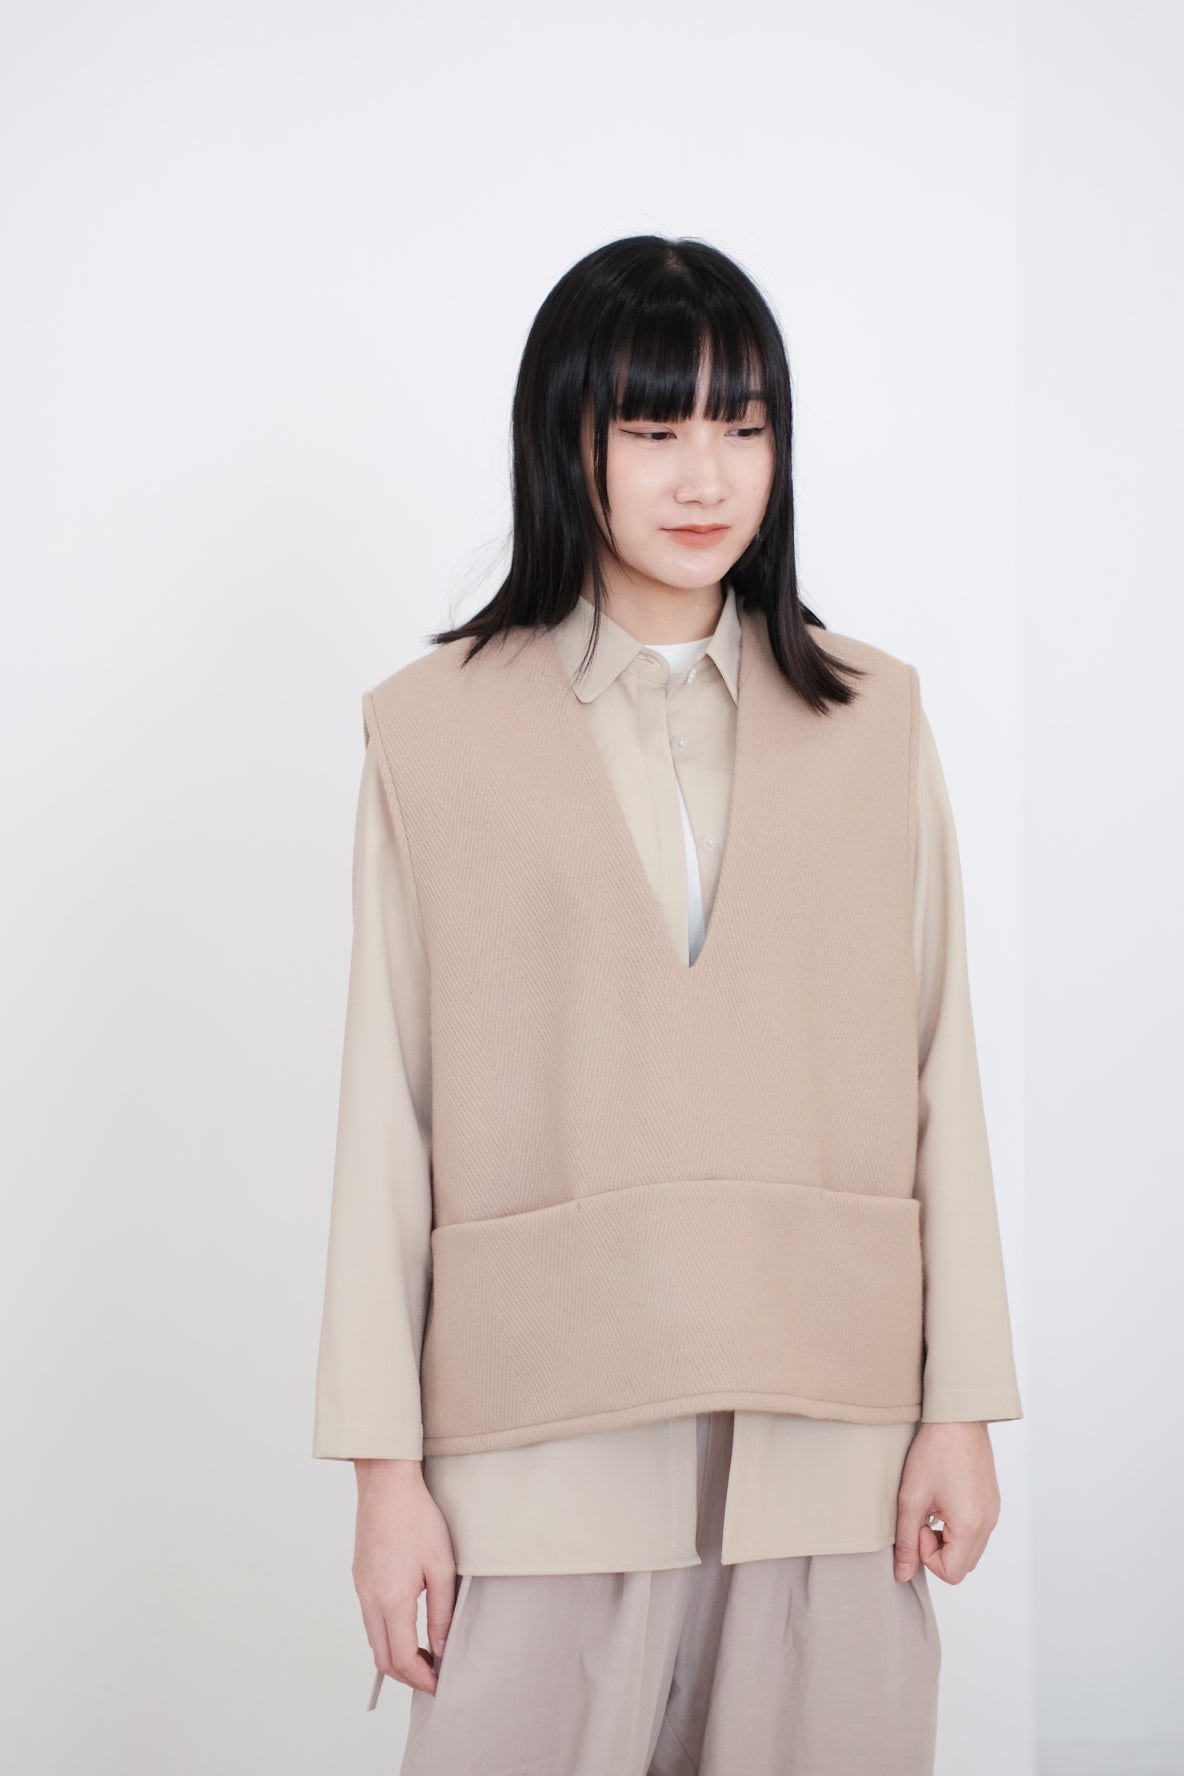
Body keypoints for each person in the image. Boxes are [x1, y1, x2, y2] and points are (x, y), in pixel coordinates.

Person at [311, 234, 1024, 1776]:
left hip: (831, 1441)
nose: (706, 475)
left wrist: (961, 1405)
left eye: (743, 426)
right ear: (567, 441)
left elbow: (938, 1069)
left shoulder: (875, 719)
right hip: (536, 1450)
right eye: (654, 428)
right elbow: (389, 1111)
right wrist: (384, 1475)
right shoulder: (435, 735)